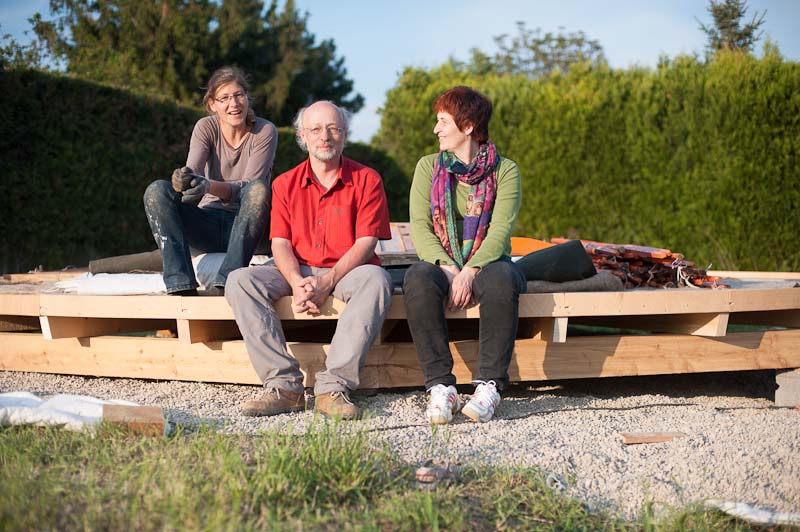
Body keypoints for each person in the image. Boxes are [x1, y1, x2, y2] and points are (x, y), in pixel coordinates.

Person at [225, 100, 393, 419]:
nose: (324, 136)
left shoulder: (367, 179)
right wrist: (296, 282)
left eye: (333, 128)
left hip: (348, 271)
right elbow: (280, 243)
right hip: (297, 269)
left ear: (344, 134)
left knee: (377, 280)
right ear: (303, 136)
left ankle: (333, 388)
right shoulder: (284, 183)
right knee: (240, 281)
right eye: (315, 129)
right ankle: (284, 387)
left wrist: (327, 281)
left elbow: (366, 242)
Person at [404, 86, 525, 424]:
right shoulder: (428, 167)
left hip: (488, 264)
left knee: (502, 278)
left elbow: (500, 231)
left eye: (443, 121)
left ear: (468, 126)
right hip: (442, 264)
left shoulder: (505, 170)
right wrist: (446, 266)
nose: (436, 129)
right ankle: (441, 386)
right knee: (417, 277)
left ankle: (490, 386)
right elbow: (420, 227)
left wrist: (469, 271)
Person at [143, 66, 277, 295]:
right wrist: (183, 179)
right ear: (212, 104)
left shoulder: (265, 130)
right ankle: (181, 286)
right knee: (156, 190)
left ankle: (227, 282)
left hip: (249, 227)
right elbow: (193, 171)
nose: (234, 104)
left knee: (258, 190)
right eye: (224, 98)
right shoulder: (205, 127)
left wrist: (208, 186)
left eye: (239, 95)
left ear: (247, 98)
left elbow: (249, 186)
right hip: (208, 224)